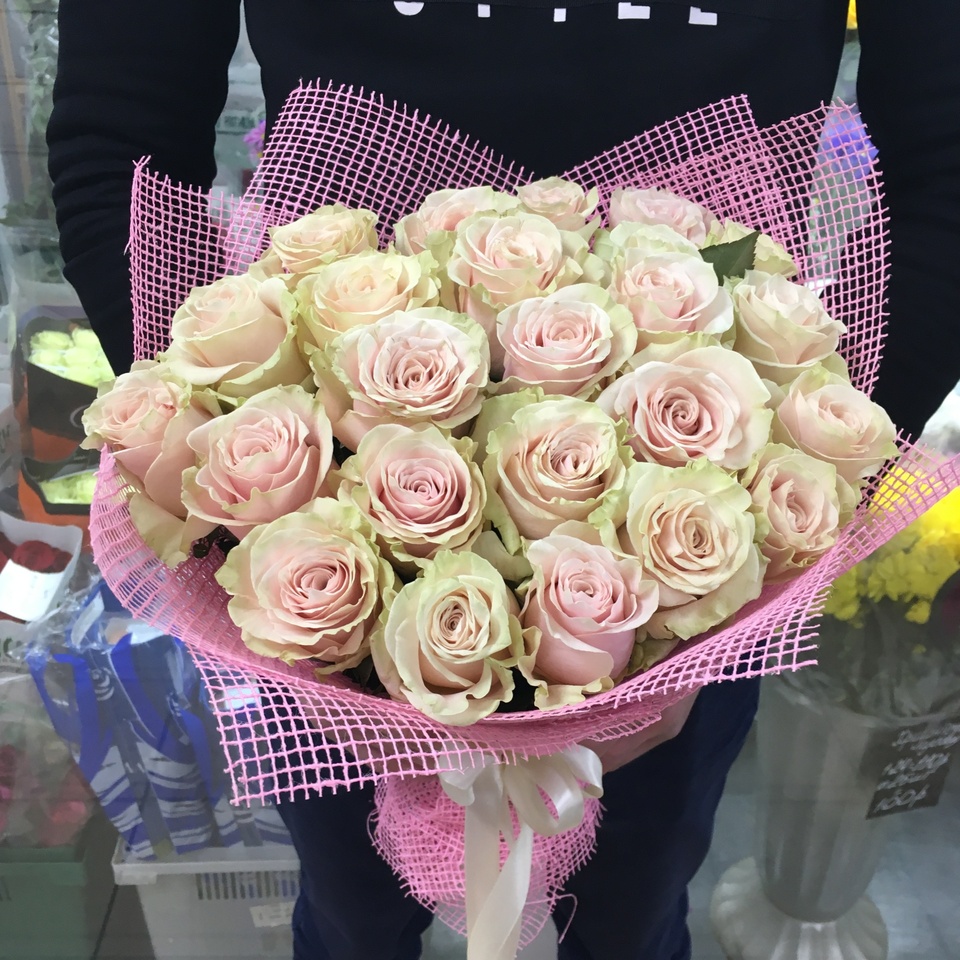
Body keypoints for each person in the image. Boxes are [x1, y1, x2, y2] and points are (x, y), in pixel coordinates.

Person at [46, 3, 959, 959]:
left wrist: (799, 486)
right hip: (320, 541)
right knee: (356, 922)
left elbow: (944, 157)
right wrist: (244, 473)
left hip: (702, 539)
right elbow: (121, 138)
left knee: (631, 918)